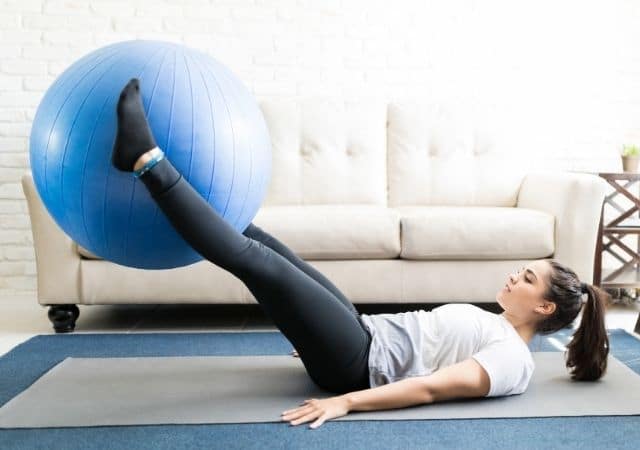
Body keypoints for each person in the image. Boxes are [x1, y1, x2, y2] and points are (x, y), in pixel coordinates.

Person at [112, 78, 611, 430]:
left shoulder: (510, 361)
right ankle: (183, 181)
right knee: (267, 244)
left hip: (355, 363)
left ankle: (145, 161)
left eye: (527, 279)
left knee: (253, 262)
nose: (513, 277)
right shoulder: (500, 328)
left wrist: (346, 402)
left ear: (544, 308)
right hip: (358, 334)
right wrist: (315, 333)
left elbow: (430, 389)